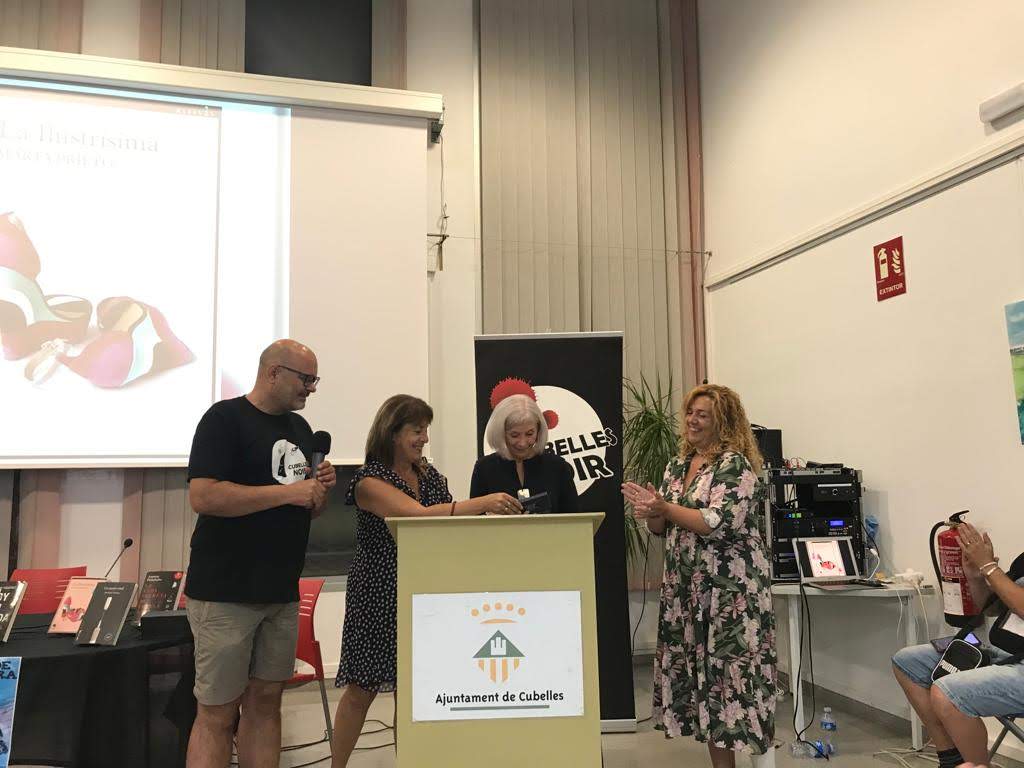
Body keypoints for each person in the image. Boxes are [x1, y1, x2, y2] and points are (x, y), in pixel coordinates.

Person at [331, 394, 523, 767]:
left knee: (413, 691)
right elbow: (416, 516)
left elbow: (447, 522)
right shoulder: (369, 480)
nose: (424, 439)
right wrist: (483, 502)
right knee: (361, 690)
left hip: (425, 592)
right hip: (377, 594)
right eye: (417, 430)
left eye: (425, 431)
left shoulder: (431, 476)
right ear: (392, 432)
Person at [184, 339, 337, 768]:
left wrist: (318, 490)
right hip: (225, 592)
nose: (311, 389)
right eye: (306, 379)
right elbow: (204, 496)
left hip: (280, 591)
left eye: (315, 380)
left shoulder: (301, 430)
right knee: (217, 712)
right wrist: (288, 493)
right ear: (273, 373)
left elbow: (309, 508)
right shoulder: (224, 420)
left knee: (267, 703)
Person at [622, 383, 777, 767]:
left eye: (702, 414)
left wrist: (666, 508)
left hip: (729, 595)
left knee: (732, 683)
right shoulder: (677, 466)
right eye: (690, 412)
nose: (692, 420)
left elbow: (715, 522)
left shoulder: (734, 465)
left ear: (723, 421)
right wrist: (653, 511)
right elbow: (660, 528)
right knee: (707, 688)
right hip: (687, 593)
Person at [893, 521, 1024, 768]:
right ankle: (951, 760)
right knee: (908, 663)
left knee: (948, 694)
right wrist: (976, 577)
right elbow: (993, 608)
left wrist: (989, 566)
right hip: (1003, 654)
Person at [469, 393, 579, 513]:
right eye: (514, 435)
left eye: (529, 434)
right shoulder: (484, 468)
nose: (522, 443)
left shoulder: (558, 466)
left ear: (539, 430)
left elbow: (575, 519)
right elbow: (475, 520)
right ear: (500, 432)